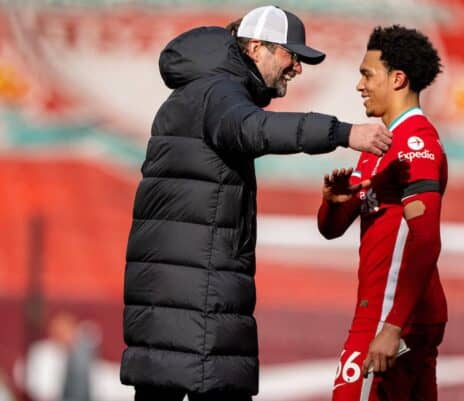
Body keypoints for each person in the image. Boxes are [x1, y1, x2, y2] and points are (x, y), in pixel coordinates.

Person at [119, 5, 392, 401]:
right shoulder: (219, 91)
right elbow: (253, 129)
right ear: (257, 47)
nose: (297, 67)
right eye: (291, 54)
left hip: (180, 301)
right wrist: (342, 132)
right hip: (199, 303)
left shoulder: (202, 90)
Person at [317, 26, 447, 401]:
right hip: (404, 314)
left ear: (398, 79)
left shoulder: (416, 142)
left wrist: (392, 326)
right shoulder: (380, 145)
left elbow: (424, 237)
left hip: (389, 314)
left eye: (366, 74)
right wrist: (334, 203)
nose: (359, 85)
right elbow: (332, 229)